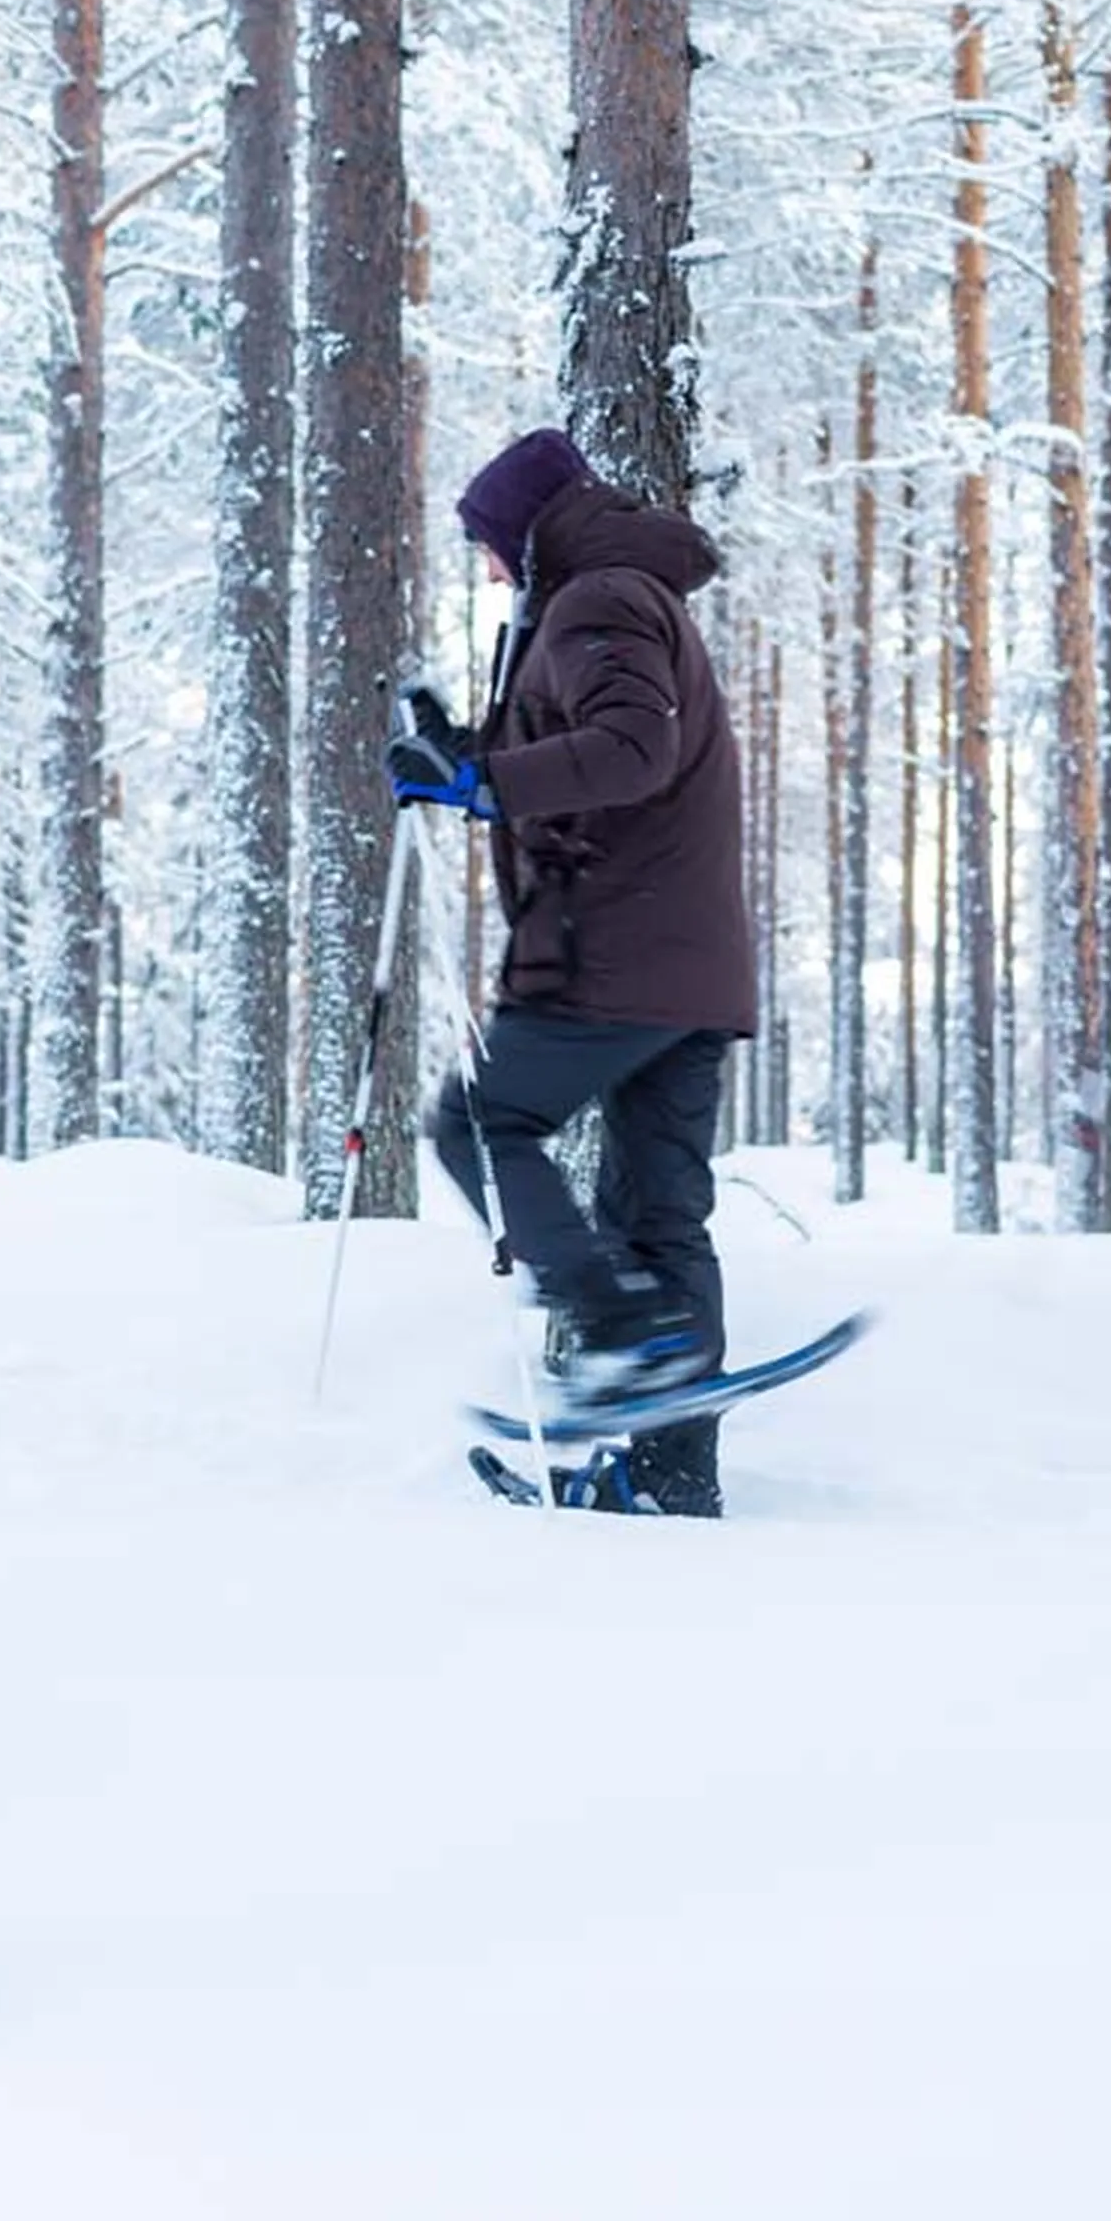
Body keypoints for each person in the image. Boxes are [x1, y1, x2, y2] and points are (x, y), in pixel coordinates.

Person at [387, 425, 753, 1517]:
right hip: (686, 968)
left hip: (619, 952)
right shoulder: (622, 597)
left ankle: (621, 1334)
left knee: (477, 1126)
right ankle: (672, 1478)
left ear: (527, 533)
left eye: (491, 548)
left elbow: (631, 749)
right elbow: (590, 734)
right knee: (660, 1217)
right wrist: (468, 746)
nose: (488, 569)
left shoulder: (596, 601)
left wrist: (478, 783)